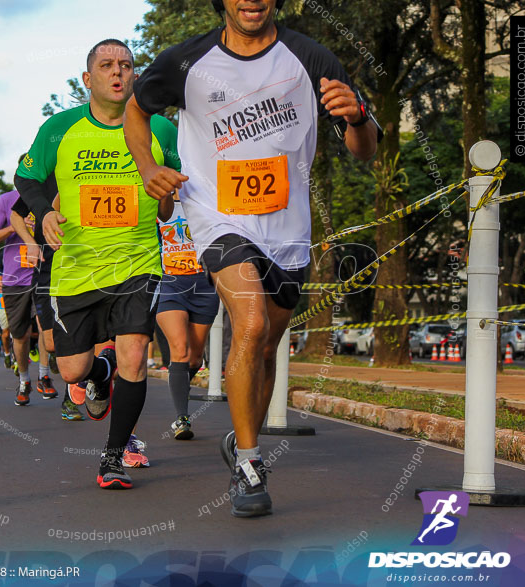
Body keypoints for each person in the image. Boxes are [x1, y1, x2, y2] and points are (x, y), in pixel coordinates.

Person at [125, 0, 380, 515]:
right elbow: (137, 107)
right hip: (218, 215)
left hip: (287, 226)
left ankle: (245, 444)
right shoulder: (186, 62)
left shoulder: (311, 58)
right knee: (251, 321)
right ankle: (249, 463)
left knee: (266, 347)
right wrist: (148, 165)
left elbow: (364, 150)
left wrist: (357, 115)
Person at [15, 39, 179, 489]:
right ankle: (97, 377)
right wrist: (45, 212)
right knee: (72, 370)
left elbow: (170, 200)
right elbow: (25, 177)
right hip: (75, 268)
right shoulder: (60, 129)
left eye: (126, 65)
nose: (118, 73)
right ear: (88, 79)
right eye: (106, 65)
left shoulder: (161, 130)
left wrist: (166, 196)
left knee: (134, 357)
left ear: (135, 76)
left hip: (137, 262)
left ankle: (112, 456)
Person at [11, 190, 85, 420]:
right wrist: (31, 243)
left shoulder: (83, 170)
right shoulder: (40, 181)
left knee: (77, 335)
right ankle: (59, 360)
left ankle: (70, 400)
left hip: (80, 266)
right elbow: (15, 215)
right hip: (46, 269)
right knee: (51, 343)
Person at [0, 184, 58, 402]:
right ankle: (24, 381)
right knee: (20, 335)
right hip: (15, 279)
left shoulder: (51, 196)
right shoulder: (7, 200)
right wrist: (13, 228)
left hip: (46, 274)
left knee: (47, 328)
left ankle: (44, 376)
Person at [155, 194, 220, 440]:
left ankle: (180, 382)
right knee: (179, 349)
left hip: (204, 286)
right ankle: (182, 418)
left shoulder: (206, 200)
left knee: (193, 360)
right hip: (169, 284)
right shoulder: (158, 204)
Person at [0, 274, 12, 368]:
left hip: (16, 297)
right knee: (6, 332)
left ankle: (17, 357)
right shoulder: (2, 262)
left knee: (17, 331)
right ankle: (7, 354)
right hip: (2, 304)